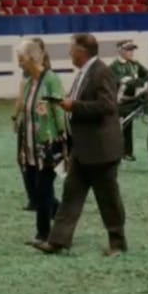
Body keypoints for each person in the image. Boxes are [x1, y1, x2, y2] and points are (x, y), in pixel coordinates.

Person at [33, 33, 127, 257]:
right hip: (85, 148)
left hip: (101, 149)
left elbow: (107, 106)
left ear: (82, 50)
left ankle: (117, 243)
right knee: (70, 195)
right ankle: (58, 240)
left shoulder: (101, 72)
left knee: (108, 198)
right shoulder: (85, 73)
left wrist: (74, 105)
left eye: (71, 49)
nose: (69, 53)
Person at [15, 38, 67, 245]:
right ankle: (65, 217)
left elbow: (59, 113)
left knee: (44, 189)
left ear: (31, 58)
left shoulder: (51, 80)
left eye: (21, 59)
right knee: (37, 190)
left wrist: (62, 143)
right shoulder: (29, 84)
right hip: (29, 147)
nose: (19, 63)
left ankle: (43, 234)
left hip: (48, 146)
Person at [109, 40, 148, 161]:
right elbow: (120, 82)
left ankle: (127, 152)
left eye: (132, 49)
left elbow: (147, 74)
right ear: (120, 50)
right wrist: (140, 82)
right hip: (117, 101)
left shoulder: (135, 64)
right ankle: (114, 151)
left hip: (131, 100)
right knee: (117, 127)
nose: (131, 52)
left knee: (127, 125)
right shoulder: (114, 66)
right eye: (129, 49)